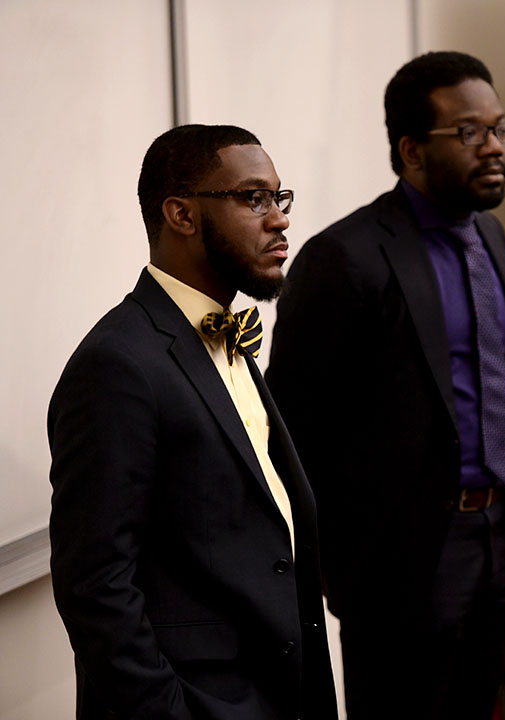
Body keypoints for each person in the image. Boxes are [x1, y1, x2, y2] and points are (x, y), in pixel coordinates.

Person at [267, 51, 505, 718]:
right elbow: (293, 423)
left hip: (495, 536)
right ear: (411, 150)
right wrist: (337, 566)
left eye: (500, 130)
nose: (494, 148)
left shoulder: (492, 237)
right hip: (399, 557)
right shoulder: (346, 257)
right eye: (470, 132)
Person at [48, 124, 337, 719]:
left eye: (280, 198)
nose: (279, 218)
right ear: (180, 213)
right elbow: (95, 586)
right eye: (253, 198)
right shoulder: (117, 363)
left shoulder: (228, 338)